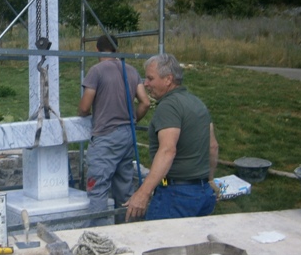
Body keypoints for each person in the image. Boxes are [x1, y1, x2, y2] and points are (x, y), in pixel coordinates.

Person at [125, 53, 219, 222]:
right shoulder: (197, 103)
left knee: (158, 245)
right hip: (202, 192)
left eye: (150, 78)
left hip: (176, 196)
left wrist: (143, 193)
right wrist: (210, 180)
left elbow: (168, 150)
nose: (145, 84)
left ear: (168, 79)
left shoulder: (168, 107)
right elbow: (212, 147)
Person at [78, 35, 150, 226]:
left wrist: (82, 111)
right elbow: (145, 102)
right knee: (124, 188)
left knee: (98, 187)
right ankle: (127, 231)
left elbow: (85, 107)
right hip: (127, 136)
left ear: (97, 49)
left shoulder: (97, 71)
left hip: (106, 137)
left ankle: (99, 237)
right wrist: (132, 120)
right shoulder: (131, 70)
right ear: (117, 49)